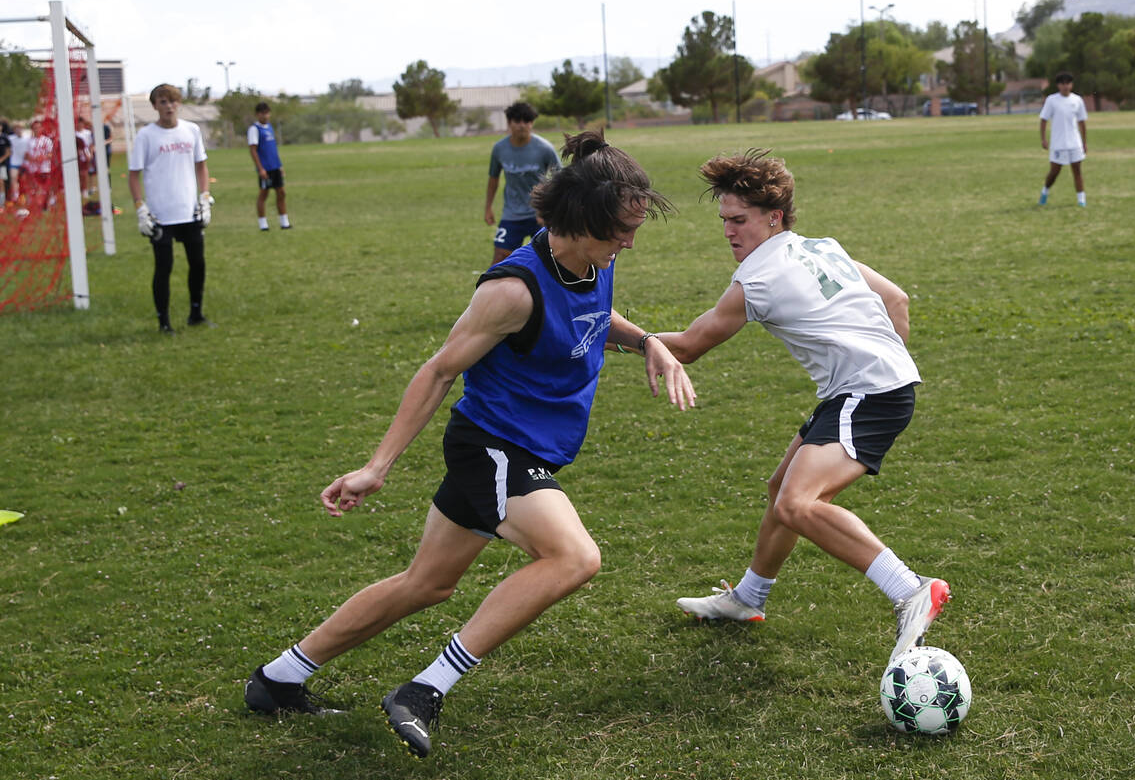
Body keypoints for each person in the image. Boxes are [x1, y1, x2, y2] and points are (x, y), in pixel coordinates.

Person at [244, 130, 695, 759]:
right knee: (574, 558)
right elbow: (438, 371)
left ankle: (278, 678)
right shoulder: (511, 291)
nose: (630, 241)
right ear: (582, 221)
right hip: (495, 445)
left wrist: (648, 340)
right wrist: (377, 466)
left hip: (525, 448)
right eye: (621, 229)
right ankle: (425, 689)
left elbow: (593, 319)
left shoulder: (594, 263)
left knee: (425, 584)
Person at [657, 150, 948, 665]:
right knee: (781, 489)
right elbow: (897, 300)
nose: (729, 232)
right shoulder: (823, 247)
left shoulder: (757, 280)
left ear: (774, 216)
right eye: (724, 221)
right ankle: (748, 598)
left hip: (867, 393)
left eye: (739, 220)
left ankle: (909, 590)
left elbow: (684, 347)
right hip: (870, 388)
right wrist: (888, 364)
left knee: (797, 503)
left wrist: (604, 330)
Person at [127, 83, 214, 334]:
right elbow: (134, 175)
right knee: (164, 267)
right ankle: (163, 322)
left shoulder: (192, 130)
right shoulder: (146, 135)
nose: (169, 106)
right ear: (155, 106)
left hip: (189, 211)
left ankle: (196, 313)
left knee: (197, 263)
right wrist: (140, 208)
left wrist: (205, 197)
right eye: (163, 102)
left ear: (179, 103)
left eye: (173, 101)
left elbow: (201, 165)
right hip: (161, 214)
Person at [484, 101, 560, 265]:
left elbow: (559, 180)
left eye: (527, 121)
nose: (522, 125)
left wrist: (547, 209)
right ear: (509, 123)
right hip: (511, 215)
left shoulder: (544, 148)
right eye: (517, 121)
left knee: (549, 262)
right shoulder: (499, 149)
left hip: (539, 216)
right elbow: (493, 179)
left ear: (532, 123)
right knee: (499, 259)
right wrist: (488, 207)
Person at [1038, 72, 1088, 208]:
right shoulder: (1052, 100)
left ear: (1071, 85)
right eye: (1062, 83)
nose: (1065, 86)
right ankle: (1045, 191)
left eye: (1068, 83)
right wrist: (1043, 139)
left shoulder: (1077, 100)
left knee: (1077, 170)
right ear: (1058, 85)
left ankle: (1081, 199)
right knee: (1054, 172)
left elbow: (1082, 122)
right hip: (1058, 143)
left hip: (1074, 143)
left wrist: (1084, 142)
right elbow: (1043, 120)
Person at [247, 101, 289, 231]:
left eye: (267, 113)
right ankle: (263, 224)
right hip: (265, 168)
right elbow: (253, 150)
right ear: (257, 114)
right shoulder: (254, 129)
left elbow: (273, 149)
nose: (265, 116)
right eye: (262, 114)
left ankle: (284, 222)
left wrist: (280, 165)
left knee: (281, 193)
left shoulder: (269, 127)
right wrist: (260, 168)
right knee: (264, 194)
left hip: (275, 166)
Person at [8, 122, 29, 205]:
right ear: (14, 130)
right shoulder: (10, 138)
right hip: (14, 162)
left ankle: (24, 197)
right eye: (16, 128)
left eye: (20, 128)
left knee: (24, 181)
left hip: (24, 163)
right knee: (13, 178)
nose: (18, 130)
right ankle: (15, 196)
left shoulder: (27, 138)